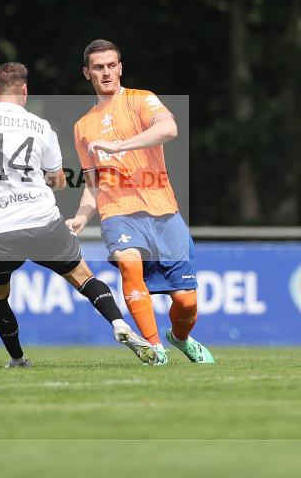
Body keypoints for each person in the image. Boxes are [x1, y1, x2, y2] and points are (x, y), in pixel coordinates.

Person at [0, 62, 161, 367]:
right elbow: (58, 181)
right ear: (25, 91)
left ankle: (18, 359)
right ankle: (119, 323)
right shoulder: (41, 126)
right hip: (43, 221)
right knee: (85, 279)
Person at [66, 39, 214, 365]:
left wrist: (119, 146)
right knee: (129, 265)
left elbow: (169, 128)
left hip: (163, 209)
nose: (106, 72)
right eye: (98, 67)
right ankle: (154, 347)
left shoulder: (141, 99)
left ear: (120, 68)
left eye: (111, 65)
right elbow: (93, 183)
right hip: (118, 211)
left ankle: (180, 338)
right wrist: (80, 217)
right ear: (87, 73)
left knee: (186, 303)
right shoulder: (82, 128)